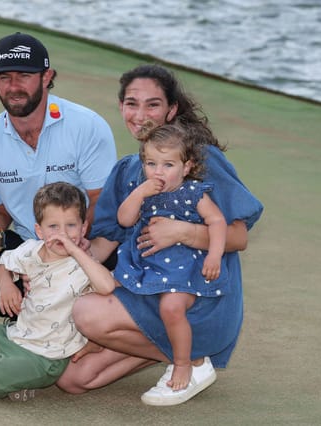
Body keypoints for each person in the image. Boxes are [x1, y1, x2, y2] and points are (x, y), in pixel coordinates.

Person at [56, 64, 263, 406]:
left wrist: (182, 232)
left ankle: (192, 359)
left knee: (88, 314)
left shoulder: (201, 161)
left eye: (152, 105)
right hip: (146, 290)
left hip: (196, 297)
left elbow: (238, 237)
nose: (140, 115)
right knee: (74, 379)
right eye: (131, 104)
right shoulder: (126, 170)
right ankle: (180, 355)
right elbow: (106, 240)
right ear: (121, 107)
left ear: (171, 109)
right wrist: (56, 262)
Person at [0, 32, 117, 316]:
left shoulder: (87, 125)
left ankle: (66, 317)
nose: (13, 86)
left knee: (121, 255)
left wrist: (66, 244)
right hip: (27, 242)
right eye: (4, 77)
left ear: (46, 76)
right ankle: (34, 319)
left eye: (24, 75)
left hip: (84, 238)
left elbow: (100, 200)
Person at [0, 182, 116, 401]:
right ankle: (12, 373)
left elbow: (107, 286)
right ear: (39, 230)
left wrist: (77, 251)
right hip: (16, 337)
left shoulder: (83, 265)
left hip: (48, 356)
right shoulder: (30, 249)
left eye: (71, 226)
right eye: (53, 226)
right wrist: (6, 284)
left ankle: (3, 373)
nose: (63, 234)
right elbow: (5, 263)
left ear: (84, 228)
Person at [114, 122, 228, 391]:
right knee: (107, 289)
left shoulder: (192, 193)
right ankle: (91, 344)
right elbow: (124, 219)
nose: (158, 172)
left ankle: (184, 362)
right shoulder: (144, 190)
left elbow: (218, 222)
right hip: (145, 263)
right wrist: (139, 192)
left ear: (186, 167)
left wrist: (214, 256)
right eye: (151, 163)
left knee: (171, 308)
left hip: (183, 268)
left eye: (168, 165)